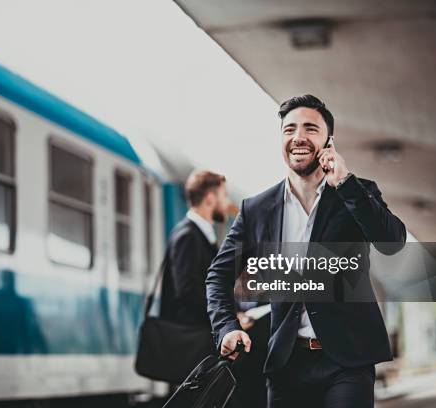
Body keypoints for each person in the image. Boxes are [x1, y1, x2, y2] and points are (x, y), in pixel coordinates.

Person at [206, 95, 406, 408]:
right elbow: (218, 275)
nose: (298, 136)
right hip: (287, 365)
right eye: (289, 130)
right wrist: (226, 328)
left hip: (347, 363)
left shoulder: (356, 192)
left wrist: (344, 182)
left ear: (329, 140)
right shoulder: (256, 209)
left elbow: (392, 242)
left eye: (310, 128)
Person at [160, 170, 229, 327]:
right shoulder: (187, 236)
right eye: (224, 195)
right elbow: (187, 292)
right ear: (210, 199)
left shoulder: (198, 234)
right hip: (188, 340)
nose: (227, 202)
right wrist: (224, 317)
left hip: (195, 336)